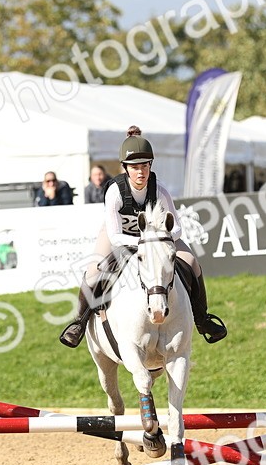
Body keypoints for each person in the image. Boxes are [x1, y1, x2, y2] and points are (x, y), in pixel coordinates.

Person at [59, 126, 227, 348]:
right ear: (125, 168)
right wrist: (142, 243)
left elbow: (177, 228)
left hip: (157, 238)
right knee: (93, 273)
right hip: (120, 236)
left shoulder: (160, 190)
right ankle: (79, 323)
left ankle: (202, 319)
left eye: (145, 166)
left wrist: (160, 239)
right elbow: (115, 236)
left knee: (192, 262)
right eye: (135, 167)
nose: (141, 172)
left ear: (150, 166)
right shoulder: (115, 192)